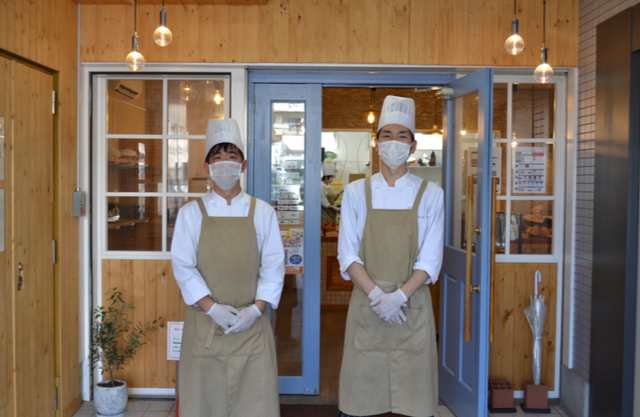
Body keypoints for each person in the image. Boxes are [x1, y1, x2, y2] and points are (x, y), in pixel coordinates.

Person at [336, 96, 445, 417]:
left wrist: (398, 296)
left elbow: (430, 258)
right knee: (360, 396)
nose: (394, 142)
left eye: (402, 136)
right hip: (368, 306)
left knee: (415, 397)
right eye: (387, 135)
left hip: (411, 305)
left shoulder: (431, 194)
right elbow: (347, 254)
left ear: (413, 146)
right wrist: (378, 296)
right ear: (376, 142)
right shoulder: (357, 192)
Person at [171, 118, 284, 417]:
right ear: (207, 167)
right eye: (217, 158)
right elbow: (183, 267)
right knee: (203, 403)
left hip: (252, 326)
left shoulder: (263, 212)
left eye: (231, 157)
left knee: (254, 404)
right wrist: (212, 308)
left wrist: (256, 310)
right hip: (205, 325)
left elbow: (273, 265)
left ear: (243, 165)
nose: (225, 164)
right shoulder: (190, 213)